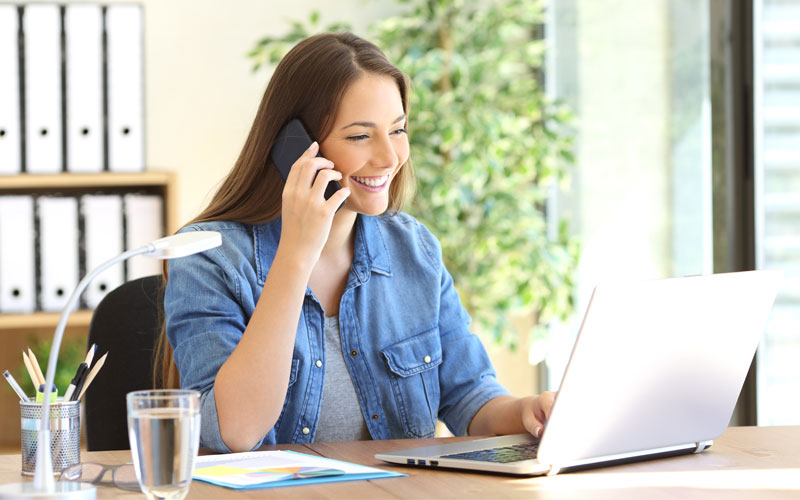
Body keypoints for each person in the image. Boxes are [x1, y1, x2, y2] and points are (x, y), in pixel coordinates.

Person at [157, 32, 555, 454]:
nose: (389, 157)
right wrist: (296, 253)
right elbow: (235, 430)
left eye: (398, 130)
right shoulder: (209, 259)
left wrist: (529, 410)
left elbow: (469, 396)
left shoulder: (414, 250)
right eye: (360, 136)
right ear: (293, 147)